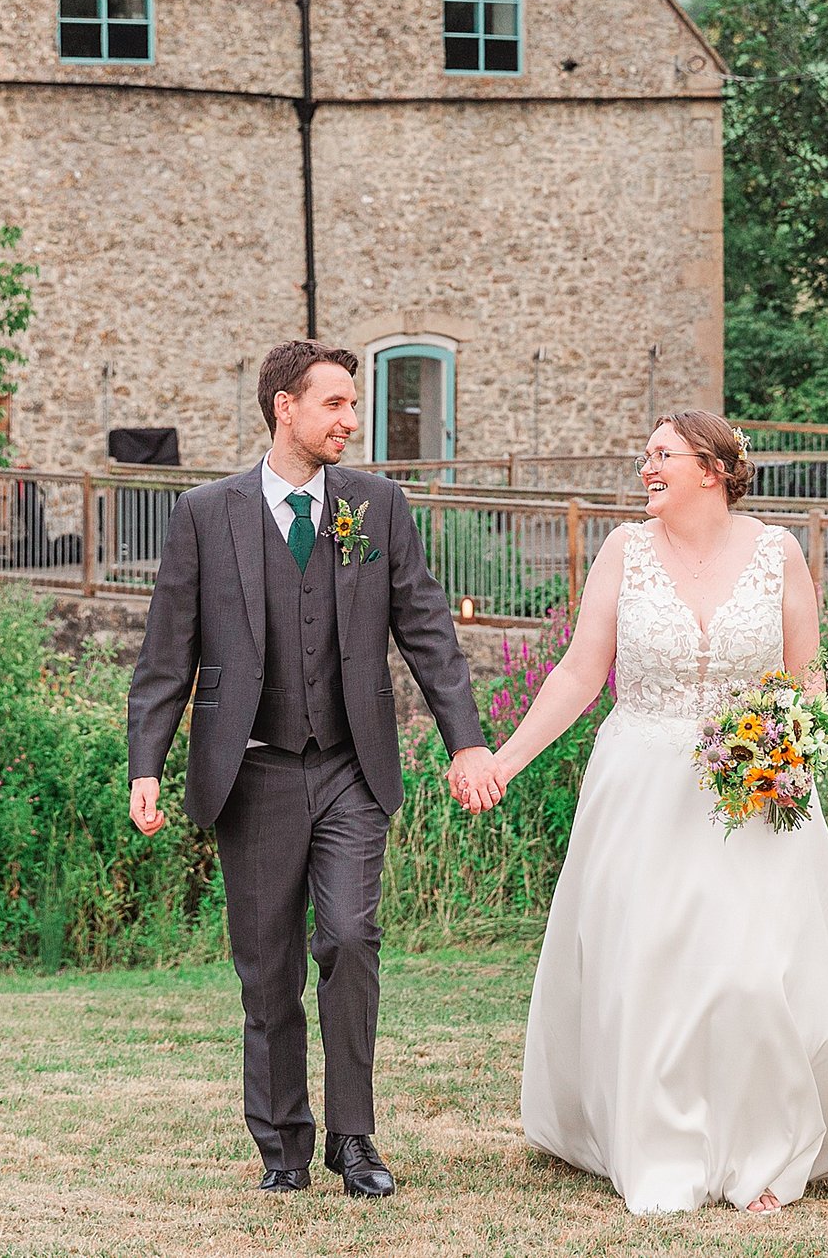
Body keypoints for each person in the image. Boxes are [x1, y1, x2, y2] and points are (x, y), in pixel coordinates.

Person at [486, 410, 828, 1214]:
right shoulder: (623, 552)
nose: (646, 468)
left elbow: (808, 681)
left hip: (755, 794)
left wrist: (795, 756)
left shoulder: (777, 553)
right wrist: (506, 759)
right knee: (649, 972)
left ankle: (761, 1150)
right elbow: (580, 672)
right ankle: (659, 1145)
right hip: (641, 786)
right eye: (646, 456)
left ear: (714, 468)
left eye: (662, 455)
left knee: (751, 973)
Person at [125, 340, 503, 1199]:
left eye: (353, 403)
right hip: (251, 773)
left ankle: (355, 1137)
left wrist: (466, 739)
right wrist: (146, 761)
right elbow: (165, 654)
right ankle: (283, 1146)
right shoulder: (204, 513)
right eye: (334, 403)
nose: (350, 420)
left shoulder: (375, 504)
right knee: (267, 969)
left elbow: (427, 627)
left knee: (350, 938)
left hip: (348, 768)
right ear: (283, 408)